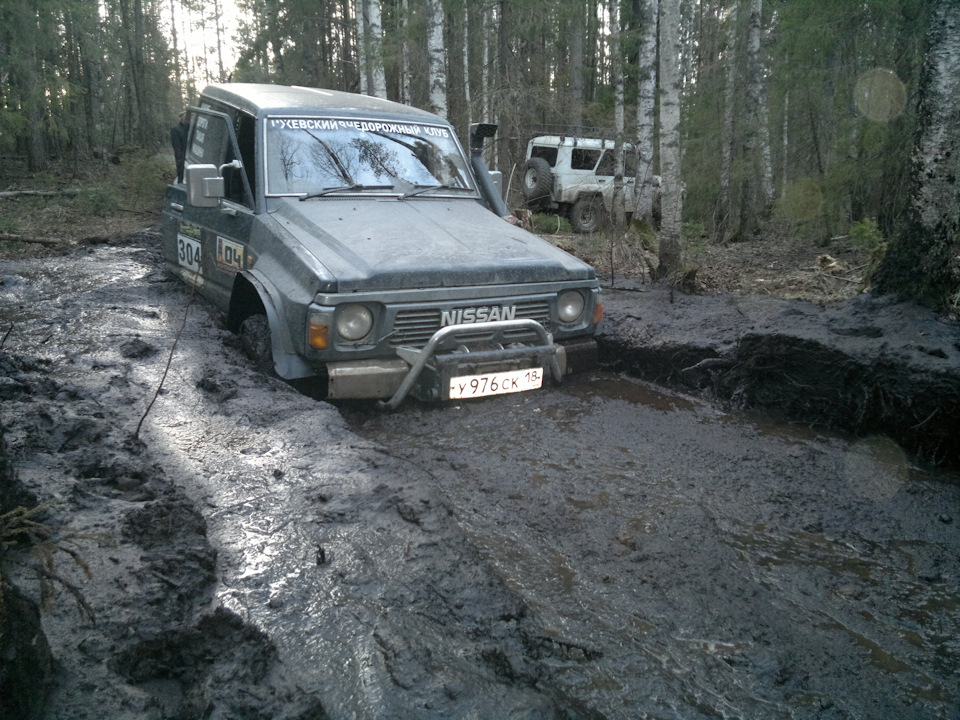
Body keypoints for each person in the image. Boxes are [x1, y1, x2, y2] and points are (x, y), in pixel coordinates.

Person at [170, 111, 189, 183]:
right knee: (181, 177)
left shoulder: (190, 129)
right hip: (181, 158)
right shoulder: (176, 129)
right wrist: (180, 159)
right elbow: (176, 146)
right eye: (185, 118)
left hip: (188, 157)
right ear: (182, 118)